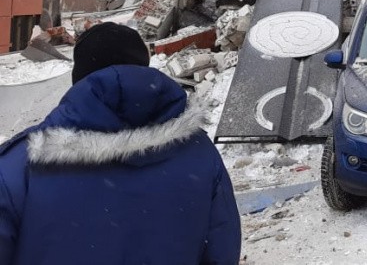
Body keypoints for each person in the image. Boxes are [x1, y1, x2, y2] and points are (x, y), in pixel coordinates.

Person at [0, 22, 241, 265]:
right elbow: (222, 250)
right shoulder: (199, 154)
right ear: (143, 68)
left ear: (80, 77)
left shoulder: (21, 165)